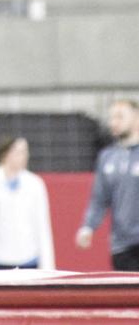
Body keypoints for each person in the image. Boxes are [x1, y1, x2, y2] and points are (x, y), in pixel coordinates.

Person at [0, 136, 55, 271]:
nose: (24, 157)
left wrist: (48, 266)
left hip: (29, 259)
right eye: (18, 152)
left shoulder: (35, 184)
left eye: (25, 152)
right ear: (5, 154)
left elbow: (42, 226)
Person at [76, 98, 139, 269]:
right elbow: (99, 198)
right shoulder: (107, 157)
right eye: (111, 117)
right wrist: (88, 227)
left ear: (136, 118)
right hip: (122, 247)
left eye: (120, 116)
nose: (114, 122)